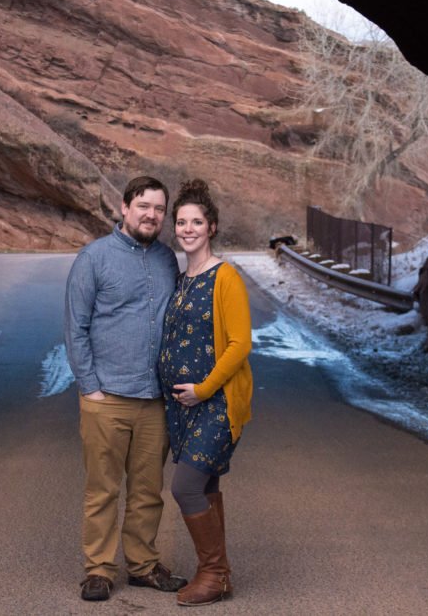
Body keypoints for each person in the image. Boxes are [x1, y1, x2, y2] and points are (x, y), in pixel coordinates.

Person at [64, 176, 188, 602]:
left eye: (158, 209)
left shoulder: (168, 260)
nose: (151, 215)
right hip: (107, 398)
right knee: (103, 489)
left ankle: (143, 565)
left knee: (147, 490)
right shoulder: (93, 259)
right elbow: (75, 327)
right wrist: (90, 387)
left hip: (155, 399)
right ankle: (98, 569)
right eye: (143, 206)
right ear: (124, 207)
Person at [159, 179, 253, 606]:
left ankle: (211, 573)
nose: (188, 228)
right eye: (181, 221)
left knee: (186, 486)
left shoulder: (225, 276)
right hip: (183, 407)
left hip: (214, 403)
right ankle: (223, 576)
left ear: (211, 227)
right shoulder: (182, 279)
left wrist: (204, 388)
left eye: (197, 221)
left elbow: (240, 344)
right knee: (207, 486)